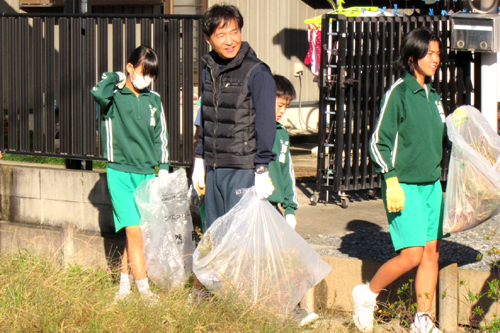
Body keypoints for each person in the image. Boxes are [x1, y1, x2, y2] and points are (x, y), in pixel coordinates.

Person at [353, 27, 447, 333]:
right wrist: (390, 179)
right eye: (430, 53)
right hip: (402, 185)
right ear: (412, 56)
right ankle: (366, 295)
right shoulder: (399, 92)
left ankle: (423, 320)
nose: (436, 59)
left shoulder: (434, 96)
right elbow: (378, 142)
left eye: (437, 53)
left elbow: (443, 139)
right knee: (412, 254)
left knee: (431, 253)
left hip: (432, 185)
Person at [91, 45, 169, 303]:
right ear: (130, 68)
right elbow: (96, 91)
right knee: (135, 232)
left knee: (136, 235)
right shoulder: (112, 97)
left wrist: (164, 168)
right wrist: (116, 75)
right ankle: (145, 291)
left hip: (146, 174)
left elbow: (161, 137)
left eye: (151, 75)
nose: (147, 79)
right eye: (143, 72)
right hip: (120, 173)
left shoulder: (154, 99)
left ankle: (124, 287)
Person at [191, 4, 277, 229]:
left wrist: (261, 168)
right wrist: (199, 159)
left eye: (234, 32)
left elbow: (266, 123)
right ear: (208, 39)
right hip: (214, 168)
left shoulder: (257, 72)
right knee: (215, 235)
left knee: (240, 239)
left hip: (242, 169)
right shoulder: (208, 69)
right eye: (221, 35)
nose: (229, 41)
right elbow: (206, 115)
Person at [267, 74, 299, 229]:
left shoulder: (282, 133)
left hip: (273, 207)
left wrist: (290, 208)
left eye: (286, 106)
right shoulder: (250, 130)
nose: (283, 111)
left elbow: (287, 171)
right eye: (280, 105)